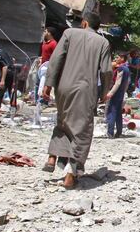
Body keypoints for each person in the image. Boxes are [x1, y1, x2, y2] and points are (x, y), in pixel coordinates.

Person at [42, 12, 111, 188]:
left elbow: (56, 59)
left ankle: (52, 157)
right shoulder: (102, 42)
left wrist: (48, 84)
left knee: (63, 121)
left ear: (85, 23)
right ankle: (71, 174)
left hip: (63, 87)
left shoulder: (69, 33)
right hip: (85, 90)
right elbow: (105, 71)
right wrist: (104, 91)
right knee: (82, 130)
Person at [105, 53, 130, 138]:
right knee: (118, 113)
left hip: (116, 93)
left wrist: (110, 93)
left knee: (112, 111)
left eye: (117, 57)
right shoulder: (127, 69)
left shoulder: (121, 68)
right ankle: (119, 132)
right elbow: (126, 83)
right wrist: (124, 92)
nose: (116, 58)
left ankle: (110, 132)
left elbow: (117, 83)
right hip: (121, 93)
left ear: (122, 58)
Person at [35, 27, 58, 104]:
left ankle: (44, 101)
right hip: (42, 67)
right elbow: (43, 54)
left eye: (45, 31)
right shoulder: (44, 43)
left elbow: (56, 56)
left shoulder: (53, 43)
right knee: (38, 83)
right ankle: (37, 100)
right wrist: (40, 59)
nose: (44, 33)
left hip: (48, 67)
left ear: (49, 33)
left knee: (45, 85)